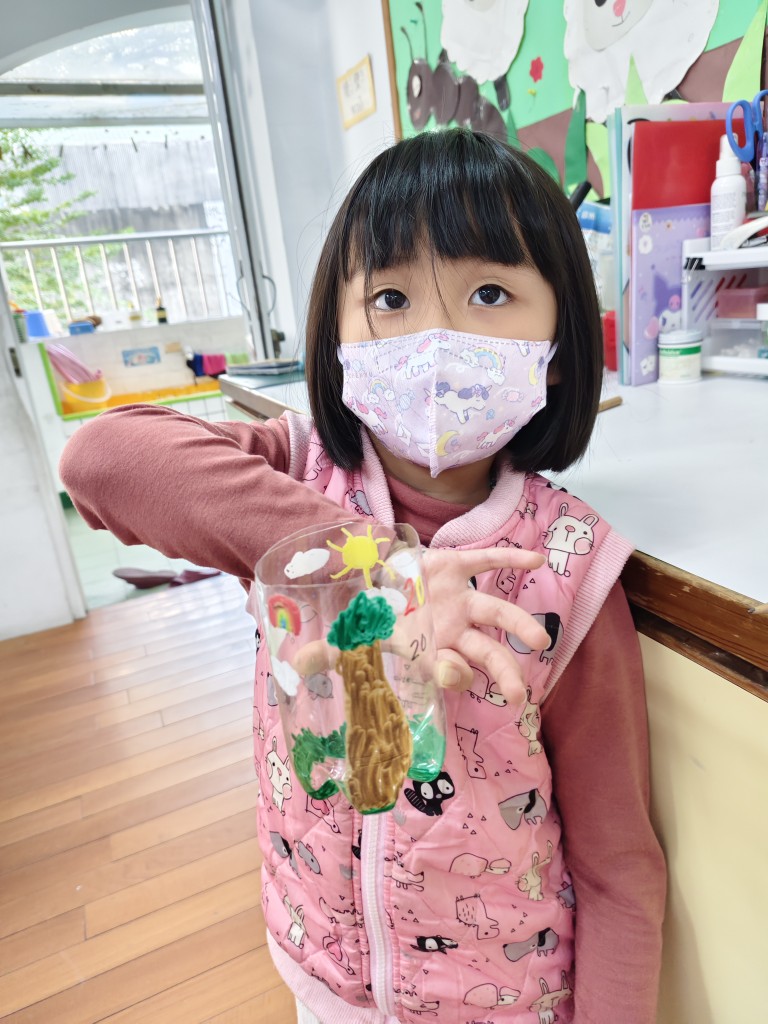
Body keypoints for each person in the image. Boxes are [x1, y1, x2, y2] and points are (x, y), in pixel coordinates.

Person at [60, 127, 665, 1024]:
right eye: (389, 297)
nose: (435, 337)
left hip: (500, 1001)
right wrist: (380, 565)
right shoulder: (297, 476)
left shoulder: (566, 566)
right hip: (323, 972)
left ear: (561, 346)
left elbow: (619, 867)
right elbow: (100, 460)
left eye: (489, 293)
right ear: (337, 339)